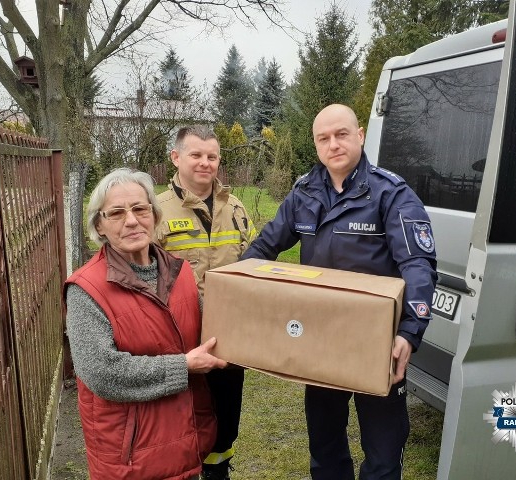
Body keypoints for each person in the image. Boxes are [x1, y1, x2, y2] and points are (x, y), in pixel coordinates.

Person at [242, 104, 437, 480]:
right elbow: (264, 248)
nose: (333, 144)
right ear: (316, 145)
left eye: (341, 134)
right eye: (323, 138)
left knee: (383, 450)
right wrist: (233, 290)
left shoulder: (391, 194)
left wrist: (409, 332)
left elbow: (418, 265)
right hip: (319, 340)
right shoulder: (304, 193)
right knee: (325, 444)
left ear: (360, 135)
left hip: (375, 342)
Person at [64, 168, 227, 480]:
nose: (131, 220)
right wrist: (184, 366)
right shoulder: (86, 290)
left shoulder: (179, 274)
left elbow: (211, 332)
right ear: (99, 224)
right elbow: (102, 373)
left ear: (154, 214)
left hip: (187, 441)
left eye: (140, 209)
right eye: (116, 213)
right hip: (131, 458)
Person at [156, 125, 257, 480]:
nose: (205, 163)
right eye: (196, 155)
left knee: (226, 413)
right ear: (176, 157)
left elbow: (254, 264)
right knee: (182, 416)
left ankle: (219, 471)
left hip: (229, 335)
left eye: (211, 156)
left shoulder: (237, 208)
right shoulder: (155, 211)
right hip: (178, 338)